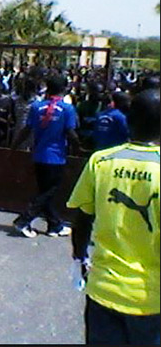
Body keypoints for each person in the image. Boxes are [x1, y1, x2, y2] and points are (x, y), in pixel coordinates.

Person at [68, 88, 159, 345]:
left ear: (128, 120)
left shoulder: (101, 160)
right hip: (150, 299)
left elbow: (82, 218)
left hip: (102, 289)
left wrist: (78, 259)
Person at [11, 74, 80, 238]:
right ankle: (23, 220)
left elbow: (27, 129)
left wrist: (14, 145)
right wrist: (79, 148)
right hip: (56, 156)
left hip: (39, 154)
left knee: (45, 191)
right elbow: (70, 132)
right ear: (64, 89)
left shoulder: (36, 106)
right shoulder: (67, 109)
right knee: (49, 191)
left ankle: (54, 225)